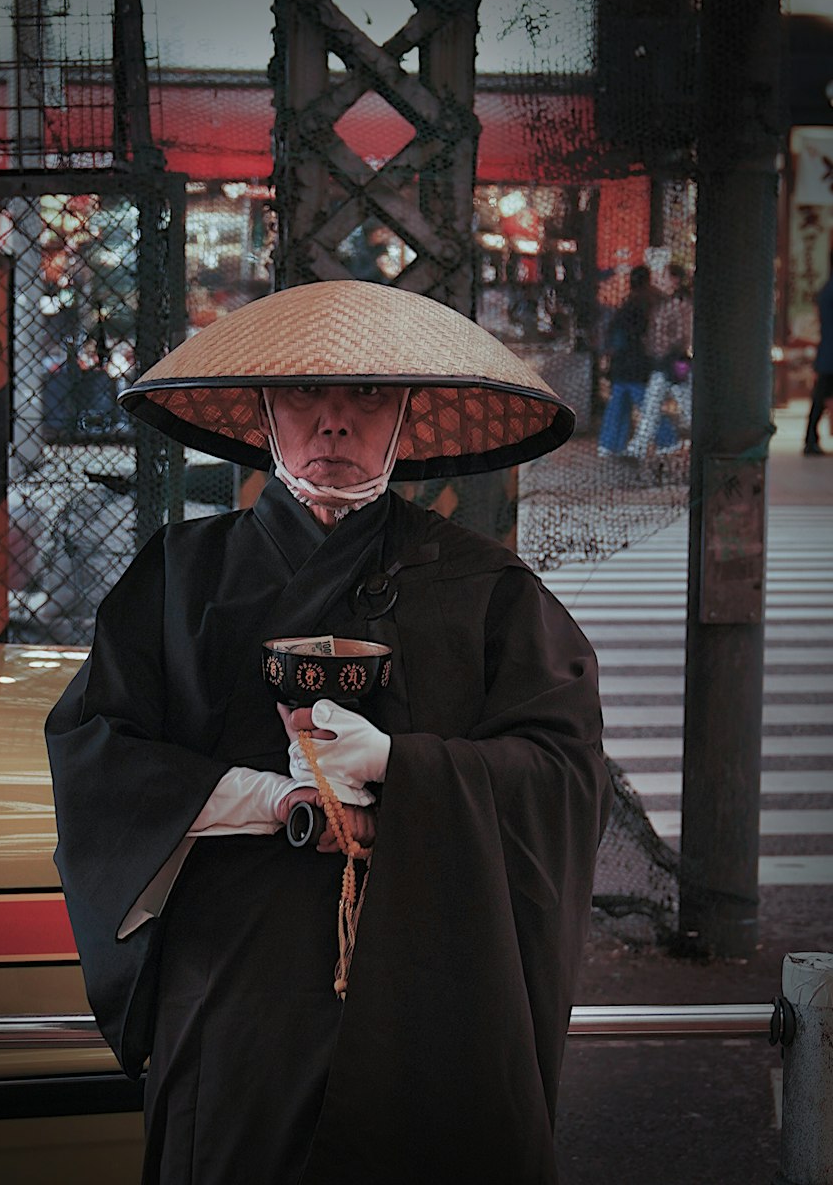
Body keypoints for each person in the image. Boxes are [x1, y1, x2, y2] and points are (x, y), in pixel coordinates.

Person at [46, 280, 612, 1185]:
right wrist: (272, 799)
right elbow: (96, 758)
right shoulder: (181, 577)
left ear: (407, 421)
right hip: (236, 980)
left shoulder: (487, 590)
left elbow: (563, 774)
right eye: (306, 397)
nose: (334, 424)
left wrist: (406, 770)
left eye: (367, 398)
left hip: (431, 971)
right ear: (265, 414)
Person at [625, 264, 694, 460]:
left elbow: (680, 335)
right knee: (655, 405)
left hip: (670, 361)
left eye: (664, 276)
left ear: (675, 280)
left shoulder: (678, 304)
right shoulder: (670, 302)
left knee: (672, 404)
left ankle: (639, 446)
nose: (660, 280)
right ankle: (638, 446)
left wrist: (660, 349)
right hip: (667, 362)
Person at [596, 264, 654, 457]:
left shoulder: (627, 305)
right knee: (643, 405)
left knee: (621, 404)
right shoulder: (644, 305)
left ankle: (612, 444)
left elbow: (615, 335)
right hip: (635, 364)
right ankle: (664, 441)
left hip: (624, 364)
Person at [804, 247, 833, 456]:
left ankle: (811, 439)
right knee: (820, 398)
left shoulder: (827, 288)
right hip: (830, 354)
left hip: (827, 354)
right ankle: (811, 439)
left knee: (819, 399)